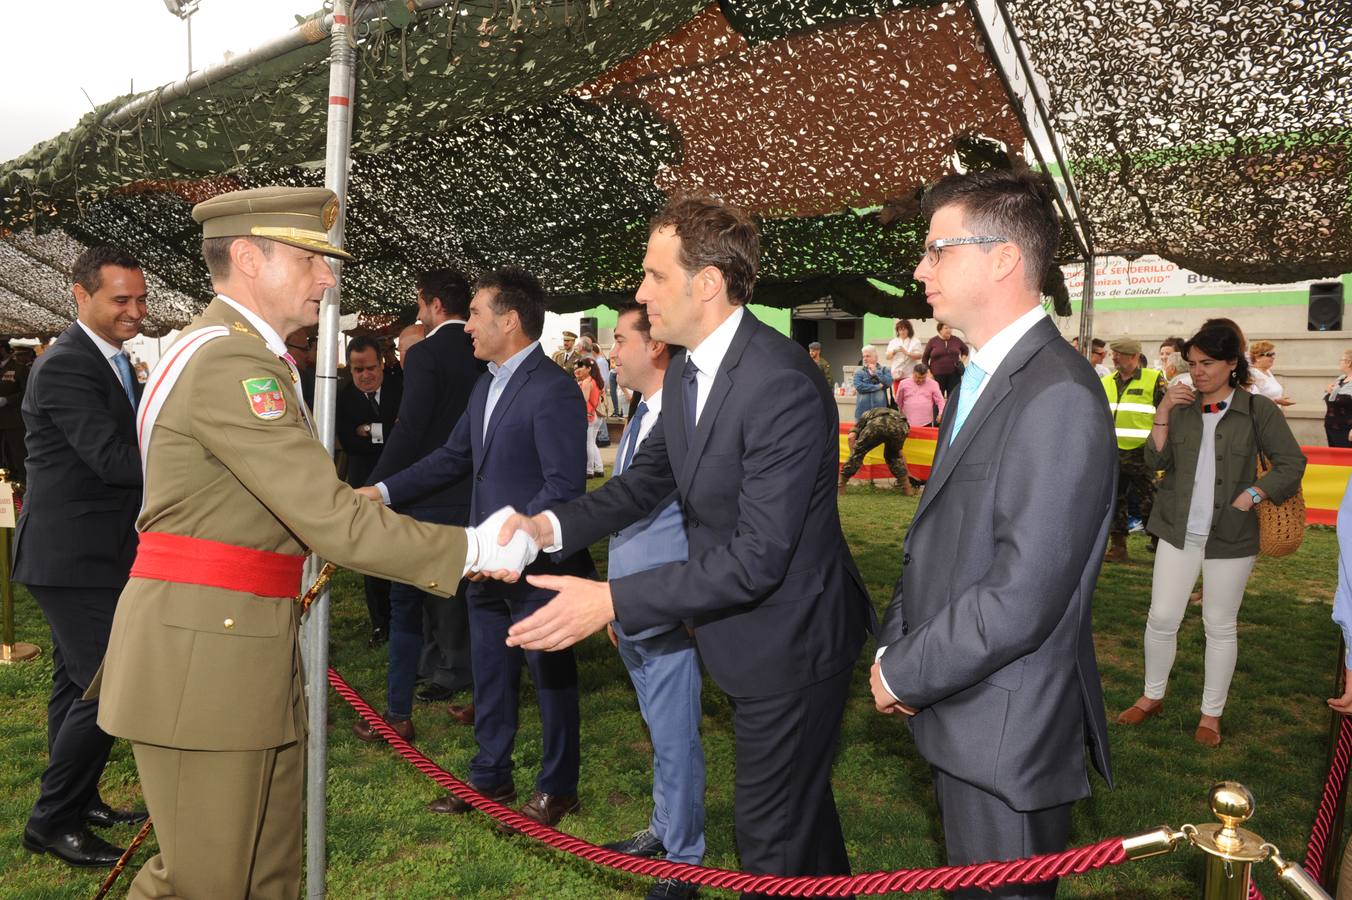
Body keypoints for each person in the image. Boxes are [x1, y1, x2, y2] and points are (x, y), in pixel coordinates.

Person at [94, 187, 533, 899]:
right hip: (204, 662)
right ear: (247, 259)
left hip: (238, 647)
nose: (328, 280)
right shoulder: (230, 364)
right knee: (204, 882)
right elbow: (327, 520)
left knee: (267, 874)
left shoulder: (246, 357)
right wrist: (474, 551)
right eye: (310, 261)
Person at [497, 196, 872, 897]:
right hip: (745, 635)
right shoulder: (694, 372)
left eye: (654, 276)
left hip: (794, 644)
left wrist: (611, 598)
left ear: (707, 284)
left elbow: (760, 556)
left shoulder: (780, 382)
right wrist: (545, 530)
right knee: (801, 821)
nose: (639, 294)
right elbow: (641, 487)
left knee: (769, 845)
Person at [871, 168, 1116, 900]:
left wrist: (906, 670)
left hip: (1005, 738)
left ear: (1004, 257)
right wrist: (897, 647)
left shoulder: (1058, 395)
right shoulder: (990, 377)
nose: (920, 270)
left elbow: (1022, 596)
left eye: (937, 250)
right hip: (966, 711)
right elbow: (934, 538)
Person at [364, 266, 594, 828]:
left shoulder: (553, 387)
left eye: (477, 315)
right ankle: (490, 777)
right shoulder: (484, 384)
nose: (467, 327)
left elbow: (563, 485)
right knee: (490, 670)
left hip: (537, 567)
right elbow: (452, 458)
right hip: (485, 564)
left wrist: (514, 544)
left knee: (551, 676)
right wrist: (384, 489)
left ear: (510, 321)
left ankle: (559, 785)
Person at [16, 246, 149, 869]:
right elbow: (113, 461)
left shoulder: (110, 361)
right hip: (73, 559)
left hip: (90, 553)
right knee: (106, 689)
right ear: (81, 295)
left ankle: (79, 799)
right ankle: (52, 821)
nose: (135, 311)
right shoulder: (68, 364)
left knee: (76, 683)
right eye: (120, 300)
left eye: (140, 299)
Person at [1116, 324, 1305, 747]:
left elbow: (1291, 463)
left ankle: (1211, 713)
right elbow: (1155, 458)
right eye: (1193, 364)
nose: (1196, 373)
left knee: (1219, 624)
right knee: (1162, 617)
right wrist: (1163, 408)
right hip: (1177, 529)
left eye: (1207, 363)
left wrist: (1254, 493)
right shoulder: (1180, 407)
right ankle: (1151, 696)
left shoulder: (1258, 411)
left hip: (1233, 535)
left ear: (1232, 363)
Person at [597, 302, 705, 900]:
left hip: (666, 608)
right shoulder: (644, 412)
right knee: (659, 730)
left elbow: (704, 525)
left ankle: (685, 860)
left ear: (654, 347)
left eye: (619, 339)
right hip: (632, 605)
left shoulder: (685, 423)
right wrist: (617, 602)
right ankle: (665, 829)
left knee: (676, 734)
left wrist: (686, 608)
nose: (612, 351)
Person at [367, 268, 485, 716]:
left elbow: (411, 427)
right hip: (474, 488)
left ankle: (398, 711)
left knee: (409, 600)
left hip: (424, 489)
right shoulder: (481, 350)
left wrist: (378, 485)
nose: (418, 312)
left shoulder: (426, 353)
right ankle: (469, 681)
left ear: (435, 304)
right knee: (468, 594)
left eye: (420, 303)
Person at [335, 335, 404, 645]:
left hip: (402, 480)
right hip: (364, 483)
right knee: (373, 556)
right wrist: (387, 430)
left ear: (382, 363)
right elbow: (349, 442)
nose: (365, 375)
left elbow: (405, 433)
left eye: (371, 368)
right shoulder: (341, 397)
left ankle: (406, 618)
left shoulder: (399, 388)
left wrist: (368, 430)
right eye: (357, 369)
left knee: (403, 547)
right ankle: (381, 623)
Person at [1102, 337, 1167, 563]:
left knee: (1150, 501)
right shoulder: (1107, 381)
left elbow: (1166, 412)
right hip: (1112, 453)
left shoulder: (1153, 379)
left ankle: (1161, 546)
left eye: (1119, 354)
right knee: (1113, 501)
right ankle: (1117, 547)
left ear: (1134, 357)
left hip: (1143, 454)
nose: (1114, 357)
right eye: (1113, 354)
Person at [839, 406, 914, 495]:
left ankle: (841, 485)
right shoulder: (892, 413)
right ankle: (907, 489)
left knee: (858, 453)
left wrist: (854, 457)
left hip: (878, 424)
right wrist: (907, 472)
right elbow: (899, 453)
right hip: (901, 425)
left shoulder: (865, 416)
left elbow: (851, 437)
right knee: (893, 456)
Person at [0, 336, 30, 485]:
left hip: (14, 419)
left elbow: (27, 392)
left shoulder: (19, 369)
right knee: (3, 456)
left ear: (5, 350)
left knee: (17, 453)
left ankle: (24, 484)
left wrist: (8, 400)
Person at [574, 357, 606, 478]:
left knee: (589, 443)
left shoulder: (588, 382)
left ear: (589, 368)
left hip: (589, 414)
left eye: (582, 366)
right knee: (592, 443)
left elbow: (584, 400)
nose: (580, 368)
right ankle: (599, 468)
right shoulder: (596, 380)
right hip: (596, 415)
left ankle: (589, 470)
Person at [922, 321, 966, 397]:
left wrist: (961, 361)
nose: (949, 330)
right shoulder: (932, 341)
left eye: (950, 328)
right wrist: (929, 373)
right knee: (937, 398)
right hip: (937, 375)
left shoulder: (956, 340)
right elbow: (925, 359)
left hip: (954, 375)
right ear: (940, 330)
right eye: (946, 328)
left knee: (953, 398)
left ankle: (951, 409)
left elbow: (965, 350)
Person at [1247, 340, 1294, 409]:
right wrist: (1277, 402)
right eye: (1269, 354)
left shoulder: (1267, 371)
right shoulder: (1253, 374)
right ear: (1257, 358)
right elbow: (1254, 401)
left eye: (1273, 354)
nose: (1273, 357)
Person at [897, 362, 945, 427]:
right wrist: (900, 413)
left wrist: (941, 413)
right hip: (907, 421)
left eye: (923, 378)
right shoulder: (903, 383)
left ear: (927, 375)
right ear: (913, 373)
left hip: (926, 421)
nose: (920, 380)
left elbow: (940, 401)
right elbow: (899, 400)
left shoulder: (933, 384)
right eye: (917, 377)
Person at [885, 318, 924, 392]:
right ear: (898, 331)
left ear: (909, 330)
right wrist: (894, 351)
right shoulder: (893, 342)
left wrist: (907, 353)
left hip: (910, 375)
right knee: (898, 397)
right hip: (897, 374)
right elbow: (887, 356)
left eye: (904, 329)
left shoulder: (915, 341)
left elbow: (919, 356)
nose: (902, 331)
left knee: (910, 396)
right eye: (900, 329)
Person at [1324, 349, 1352, 448]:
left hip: (1347, 429)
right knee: (1336, 461)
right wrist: (1328, 391)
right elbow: (1332, 399)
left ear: (1348, 363)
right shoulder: (1341, 379)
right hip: (1332, 428)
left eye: (1341, 359)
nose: (1339, 362)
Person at [853, 344, 889, 419]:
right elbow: (859, 387)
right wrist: (878, 386)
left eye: (868, 356)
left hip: (879, 414)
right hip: (862, 414)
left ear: (875, 357)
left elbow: (888, 383)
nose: (865, 359)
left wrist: (876, 372)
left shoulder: (885, 370)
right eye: (864, 356)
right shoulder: (858, 372)